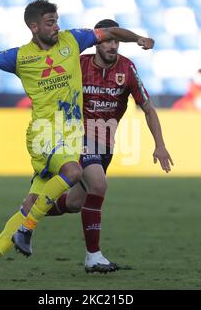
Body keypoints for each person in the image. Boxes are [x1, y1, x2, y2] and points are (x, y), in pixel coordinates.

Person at [0, 0, 154, 284]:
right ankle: (29, 228)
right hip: (45, 134)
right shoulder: (20, 57)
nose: (56, 27)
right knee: (73, 172)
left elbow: (110, 33)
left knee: (36, 203)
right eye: (50, 22)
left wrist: (138, 38)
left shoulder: (72, 40)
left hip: (70, 138)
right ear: (34, 26)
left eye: (56, 20)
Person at [24, 19, 173, 273]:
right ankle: (93, 257)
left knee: (73, 204)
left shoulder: (127, 69)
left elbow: (147, 108)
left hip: (105, 142)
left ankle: (29, 212)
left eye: (116, 41)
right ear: (96, 43)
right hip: (77, 136)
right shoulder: (78, 65)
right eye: (107, 41)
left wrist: (160, 145)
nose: (112, 46)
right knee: (99, 184)